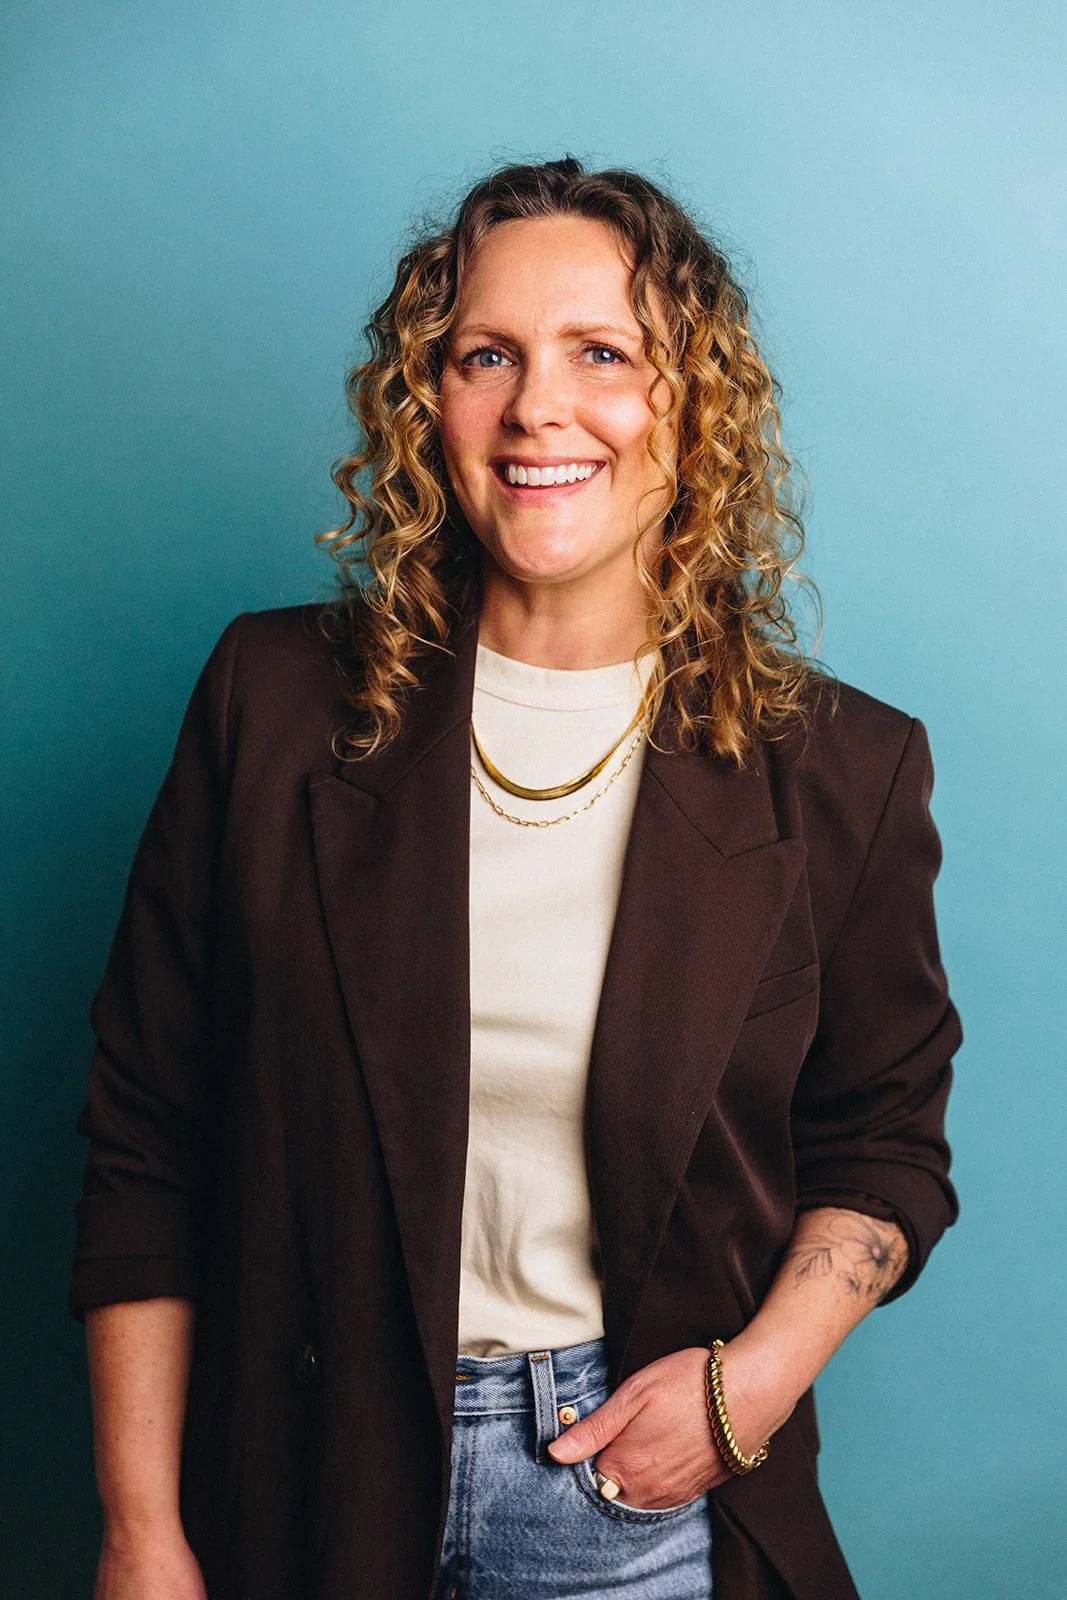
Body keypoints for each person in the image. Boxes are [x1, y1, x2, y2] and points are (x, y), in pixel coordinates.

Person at [69, 157, 962, 1600]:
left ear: (695, 405)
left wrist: (745, 1391)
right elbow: (146, 1135)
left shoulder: (841, 766)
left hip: (631, 1497)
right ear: (426, 402)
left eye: (602, 353)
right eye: (487, 354)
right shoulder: (268, 698)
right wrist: (138, 1528)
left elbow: (883, 1145)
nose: (539, 406)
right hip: (302, 1479)